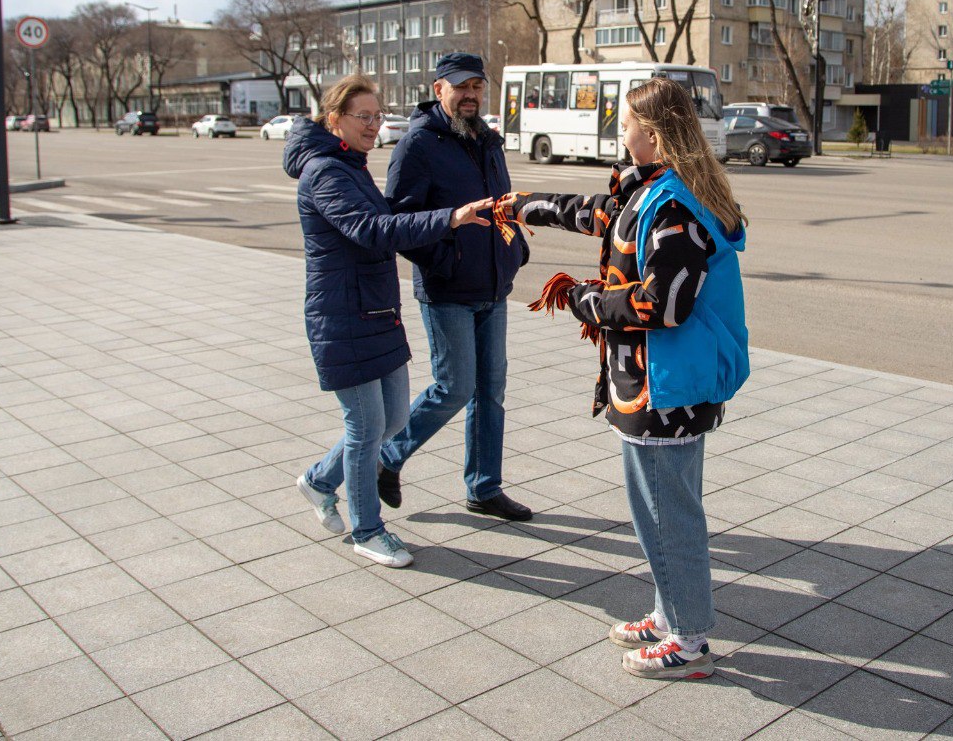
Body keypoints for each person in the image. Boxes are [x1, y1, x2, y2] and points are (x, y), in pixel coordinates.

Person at [498, 77, 749, 680]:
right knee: (656, 509)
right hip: (650, 380)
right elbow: (589, 213)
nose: (621, 129)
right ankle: (669, 615)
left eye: (628, 121)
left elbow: (664, 305)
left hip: (668, 388)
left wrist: (584, 299)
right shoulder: (649, 189)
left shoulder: (673, 208)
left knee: (668, 515)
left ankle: (688, 642)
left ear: (653, 135)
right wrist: (515, 205)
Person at [284, 74, 494, 568]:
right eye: (364, 117)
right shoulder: (325, 172)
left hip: (377, 311)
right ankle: (368, 529)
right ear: (334, 119)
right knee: (365, 428)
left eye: (378, 117)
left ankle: (318, 480)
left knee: (394, 420)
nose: (374, 126)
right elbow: (371, 229)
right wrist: (449, 217)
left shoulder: (351, 165)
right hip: (342, 316)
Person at [377, 53, 533, 521]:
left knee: (491, 391)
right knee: (454, 387)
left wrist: (515, 248)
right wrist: (446, 260)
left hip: (493, 286)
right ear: (438, 87)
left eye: (477, 87)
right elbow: (399, 222)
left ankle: (484, 488)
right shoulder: (418, 145)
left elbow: (499, 204)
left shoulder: (487, 140)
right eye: (461, 86)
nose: (470, 95)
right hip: (447, 289)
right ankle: (387, 456)